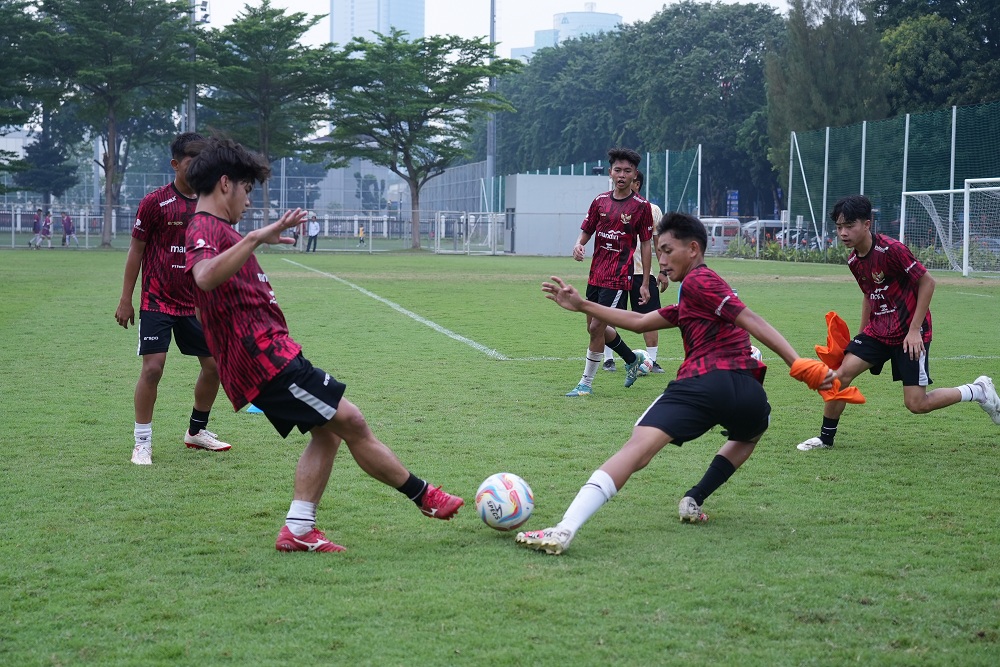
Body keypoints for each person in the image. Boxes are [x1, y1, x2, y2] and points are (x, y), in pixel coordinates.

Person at [183, 135, 464, 553]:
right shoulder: (206, 227)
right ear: (226, 183)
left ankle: (298, 528)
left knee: (328, 432)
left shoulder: (223, 229)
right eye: (246, 189)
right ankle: (424, 496)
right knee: (352, 422)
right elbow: (204, 276)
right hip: (265, 360)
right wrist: (256, 238)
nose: (247, 199)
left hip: (270, 354)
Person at [516, 212, 835, 555]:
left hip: (704, 383)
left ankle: (564, 529)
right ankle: (694, 498)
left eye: (667, 251)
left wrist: (796, 361)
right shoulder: (693, 296)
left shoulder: (701, 281)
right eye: (658, 251)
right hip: (748, 393)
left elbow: (751, 318)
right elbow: (639, 322)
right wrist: (582, 305)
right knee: (752, 431)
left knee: (635, 451)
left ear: (693, 249)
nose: (662, 261)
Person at [796, 194, 1000, 451]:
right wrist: (860, 339)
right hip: (878, 331)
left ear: (867, 224)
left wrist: (915, 330)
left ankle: (978, 390)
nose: (843, 232)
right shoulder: (853, 260)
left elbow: (928, 282)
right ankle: (825, 438)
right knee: (839, 377)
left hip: (910, 333)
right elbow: (869, 295)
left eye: (849, 226)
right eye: (839, 227)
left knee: (916, 404)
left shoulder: (892, 250)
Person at [114, 132, 231, 466]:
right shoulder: (155, 202)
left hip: (196, 303)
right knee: (153, 369)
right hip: (157, 300)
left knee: (215, 367)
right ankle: (142, 442)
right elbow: (136, 250)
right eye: (193, 162)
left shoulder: (211, 203)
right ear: (176, 164)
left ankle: (196, 432)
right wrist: (126, 298)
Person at [565, 147, 654, 397]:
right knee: (594, 328)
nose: (622, 175)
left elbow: (646, 245)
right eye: (618, 170)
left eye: (627, 170)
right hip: (596, 274)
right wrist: (578, 244)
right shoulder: (599, 201)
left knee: (596, 328)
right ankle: (632, 359)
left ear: (635, 174)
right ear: (610, 173)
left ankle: (585, 384)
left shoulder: (641, 207)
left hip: (619, 277)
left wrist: (645, 282)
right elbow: (587, 229)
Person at [604, 169, 666, 374]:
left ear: (636, 183)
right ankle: (608, 359)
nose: (622, 180)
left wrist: (663, 271)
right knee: (611, 316)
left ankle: (652, 361)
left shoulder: (653, 210)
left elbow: (660, 245)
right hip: (617, 272)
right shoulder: (610, 206)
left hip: (642, 274)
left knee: (650, 317)